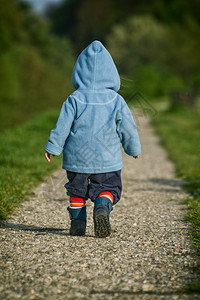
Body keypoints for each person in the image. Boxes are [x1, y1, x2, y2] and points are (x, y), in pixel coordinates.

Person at [45, 40, 141, 238]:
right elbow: (127, 127)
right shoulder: (116, 100)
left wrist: (53, 147)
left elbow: (62, 125)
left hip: (77, 159)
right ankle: (102, 206)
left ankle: (78, 222)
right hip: (107, 160)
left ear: (79, 71)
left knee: (77, 190)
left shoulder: (74, 98)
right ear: (112, 73)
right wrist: (133, 149)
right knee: (108, 188)